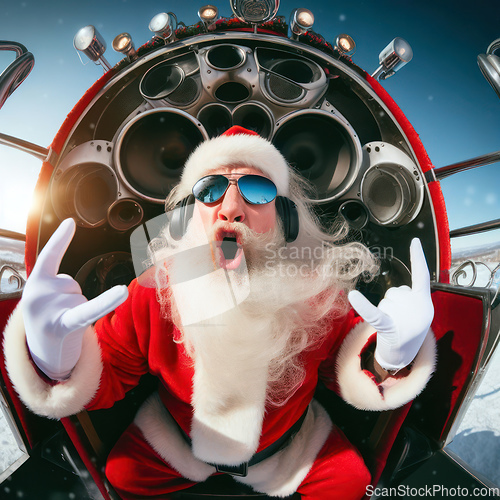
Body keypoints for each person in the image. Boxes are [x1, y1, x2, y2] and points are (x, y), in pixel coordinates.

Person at [4, 126, 436, 499]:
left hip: (288, 449)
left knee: (350, 484)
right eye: (211, 190)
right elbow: (112, 371)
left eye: (258, 189)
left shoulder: (315, 291)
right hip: (178, 444)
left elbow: (341, 369)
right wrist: (55, 359)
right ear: (195, 213)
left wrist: (389, 358)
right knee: (123, 475)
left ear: (284, 214)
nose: (231, 207)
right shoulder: (155, 289)